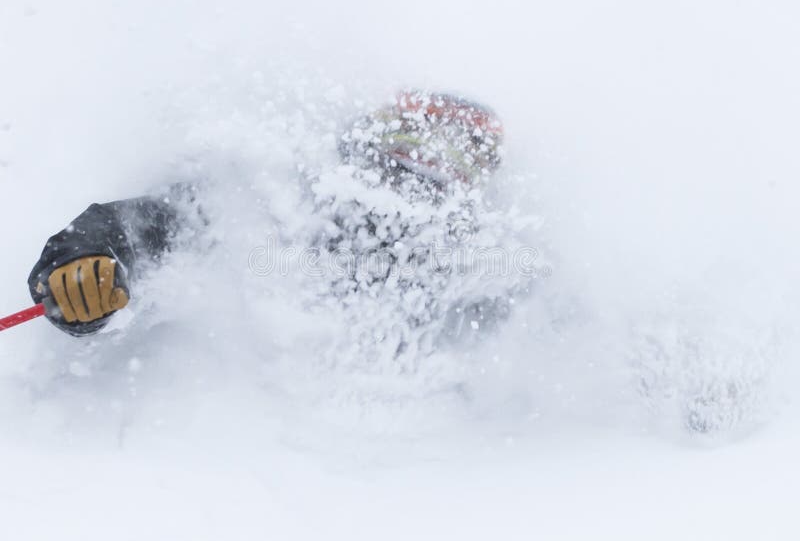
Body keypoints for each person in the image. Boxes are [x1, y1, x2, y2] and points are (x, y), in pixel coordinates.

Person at [28, 91, 509, 343]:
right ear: (362, 140)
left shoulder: (478, 275)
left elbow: (557, 338)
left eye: (458, 153)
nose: (419, 164)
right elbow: (144, 225)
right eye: (406, 137)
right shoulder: (269, 202)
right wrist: (79, 258)